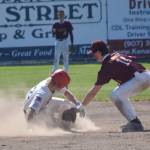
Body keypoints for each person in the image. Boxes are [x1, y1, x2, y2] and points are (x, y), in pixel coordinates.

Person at [81, 40, 150, 132]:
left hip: (139, 79)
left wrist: (81, 107)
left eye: (93, 53)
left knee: (115, 95)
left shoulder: (107, 65)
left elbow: (94, 92)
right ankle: (134, 122)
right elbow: (133, 61)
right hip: (146, 75)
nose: (93, 55)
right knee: (120, 93)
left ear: (98, 52)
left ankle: (135, 123)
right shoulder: (117, 55)